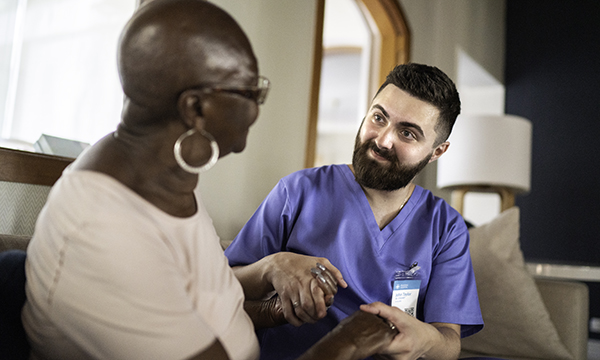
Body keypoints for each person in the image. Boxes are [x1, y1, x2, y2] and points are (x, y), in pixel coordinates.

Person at [21, 1, 400, 359]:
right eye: (251, 90)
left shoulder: (161, 174)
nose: (258, 104)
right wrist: (349, 342)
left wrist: (272, 297)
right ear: (196, 108)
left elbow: (200, 299)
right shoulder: (103, 230)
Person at [225, 63, 485, 360]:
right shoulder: (297, 192)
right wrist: (272, 266)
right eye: (378, 117)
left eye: (408, 134)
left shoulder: (445, 226)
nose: (383, 140)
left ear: (437, 151)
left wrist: (421, 338)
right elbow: (219, 287)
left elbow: (449, 342)